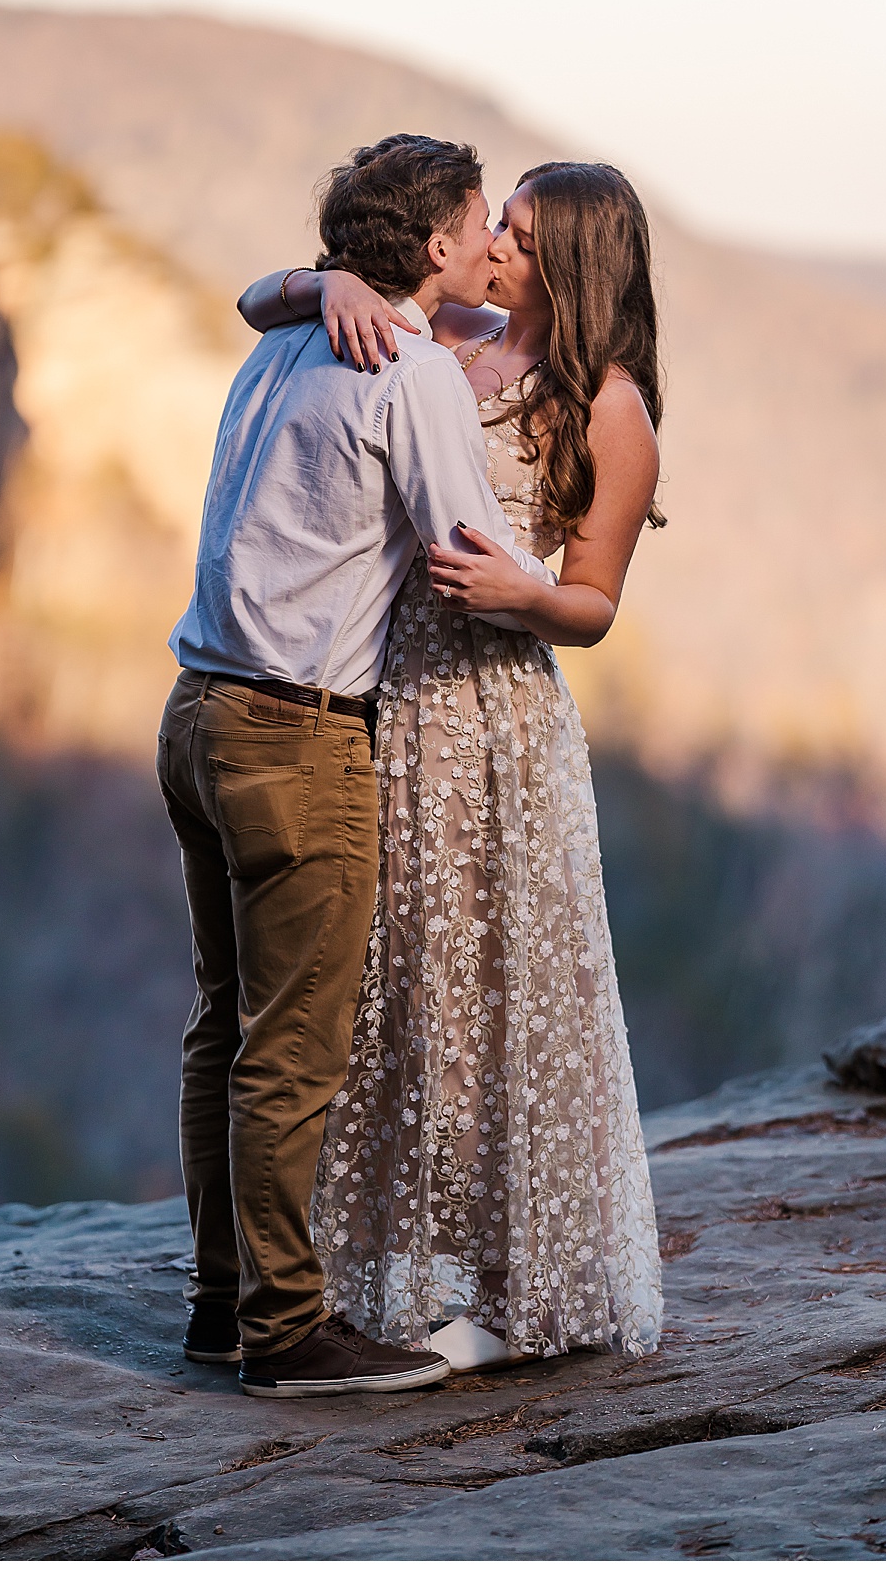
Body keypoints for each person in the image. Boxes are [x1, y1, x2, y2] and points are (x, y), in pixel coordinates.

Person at [237, 159, 664, 1371]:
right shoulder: (444, 333)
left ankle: (518, 1291)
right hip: (384, 705)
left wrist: (521, 594)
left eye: (519, 237)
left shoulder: (608, 407)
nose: (494, 247)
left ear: (569, 263)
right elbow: (254, 304)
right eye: (498, 225)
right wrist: (320, 279)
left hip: (494, 725)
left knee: (499, 999)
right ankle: (382, 1274)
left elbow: (593, 603)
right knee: (395, 1000)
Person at [158, 134, 560, 1398]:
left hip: (195, 713)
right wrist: (570, 589)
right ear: (434, 244)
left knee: (222, 1028)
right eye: (477, 222)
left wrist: (311, 278)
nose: (491, 241)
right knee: (292, 1048)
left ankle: (222, 1304)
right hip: (296, 734)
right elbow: (465, 556)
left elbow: (297, 295)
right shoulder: (413, 375)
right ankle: (286, 1333)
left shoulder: (279, 343)